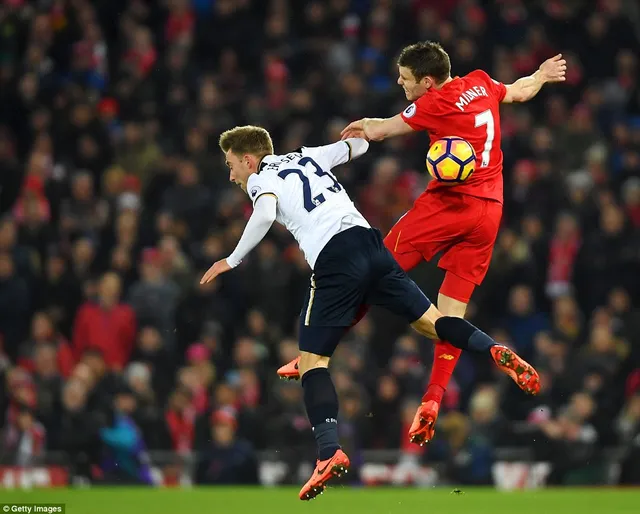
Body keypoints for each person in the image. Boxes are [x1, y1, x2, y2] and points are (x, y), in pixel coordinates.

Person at [201, 125, 540, 500]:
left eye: (232, 165)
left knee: (313, 363)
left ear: (249, 159)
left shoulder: (260, 177)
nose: (232, 174)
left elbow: (264, 214)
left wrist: (232, 259)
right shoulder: (307, 154)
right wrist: (360, 131)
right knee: (434, 324)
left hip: (334, 257)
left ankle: (328, 452)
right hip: (372, 245)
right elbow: (357, 147)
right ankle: (493, 348)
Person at [278, 41, 566, 445]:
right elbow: (520, 89)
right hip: (490, 212)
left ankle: (318, 348)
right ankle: (432, 399)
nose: (399, 82)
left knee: (370, 267)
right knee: (451, 314)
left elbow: (381, 129)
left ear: (427, 82)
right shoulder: (482, 82)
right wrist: (541, 75)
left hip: (447, 205)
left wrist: (362, 124)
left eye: (406, 79)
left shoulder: (434, 103)